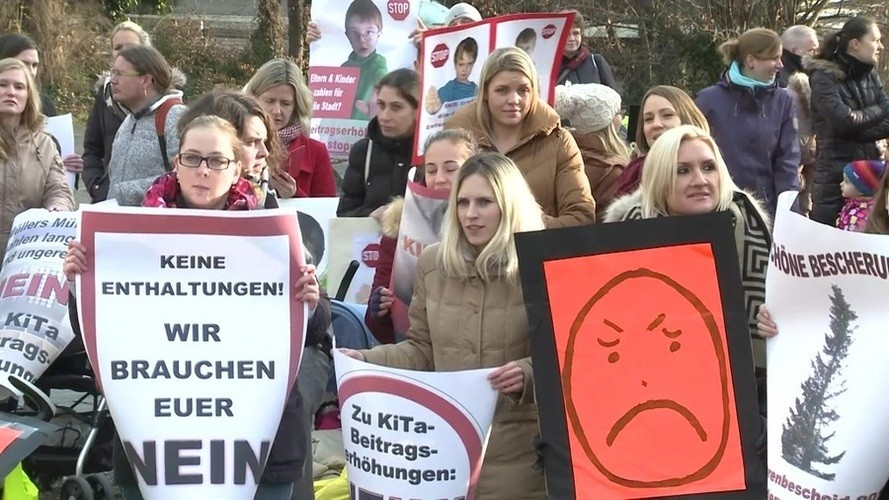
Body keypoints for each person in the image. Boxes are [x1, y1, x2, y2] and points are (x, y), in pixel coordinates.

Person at [63, 115, 327, 500]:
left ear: (237, 168)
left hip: (260, 451)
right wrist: (79, 284)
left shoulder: (272, 231)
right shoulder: (130, 234)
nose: (203, 170)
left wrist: (311, 302)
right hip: (152, 444)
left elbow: (316, 331)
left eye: (217, 160)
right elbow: (97, 334)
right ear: (177, 164)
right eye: (192, 158)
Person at [340, 152, 546, 498]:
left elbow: (568, 357)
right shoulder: (432, 264)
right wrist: (365, 361)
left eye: (484, 202)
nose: (470, 214)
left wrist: (528, 372)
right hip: (445, 450)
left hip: (521, 452)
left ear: (510, 205)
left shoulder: (541, 266)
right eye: (462, 202)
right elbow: (421, 350)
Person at [605, 125, 771, 367]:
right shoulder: (628, 238)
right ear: (660, 179)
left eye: (708, 167)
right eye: (683, 171)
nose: (700, 180)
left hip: (742, 381)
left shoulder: (750, 229)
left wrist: (772, 325)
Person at [446, 47, 596, 227]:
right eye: (502, 90)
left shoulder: (558, 141)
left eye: (523, 90)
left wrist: (521, 226)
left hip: (535, 244)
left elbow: (581, 217)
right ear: (485, 92)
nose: (513, 100)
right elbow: (436, 210)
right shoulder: (455, 141)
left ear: (533, 92)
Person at [365, 128, 477, 343]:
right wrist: (380, 312)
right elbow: (376, 326)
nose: (440, 179)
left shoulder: (487, 225)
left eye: (451, 169)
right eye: (432, 170)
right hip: (415, 350)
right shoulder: (399, 225)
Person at [696, 27, 800, 219]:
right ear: (750, 60)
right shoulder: (708, 101)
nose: (780, 65)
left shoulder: (783, 101)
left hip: (767, 211)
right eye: (774, 58)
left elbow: (787, 163)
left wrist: (790, 215)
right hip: (720, 209)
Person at [806, 17, 889, 226]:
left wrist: (857, 130)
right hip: (835, 177)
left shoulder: (870, 75)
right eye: (875, 40)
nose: (881, 46)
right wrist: (880, 110)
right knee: (829, 238)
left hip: (869, 174)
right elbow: (844, 121)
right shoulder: (823, 77)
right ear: (855, 44)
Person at [0, 57, 75, 262]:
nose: (11, 92)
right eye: (3, 84)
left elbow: (59, 190)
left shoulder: (44, 144)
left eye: (19, 87)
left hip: (24, 254)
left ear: (28, 95)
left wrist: (57, 209)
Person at [105, 45, 187, 206]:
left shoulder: (175, 117)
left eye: (120, 74)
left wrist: (125, 192)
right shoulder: (129, 121)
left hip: (155, 221)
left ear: (146, 80)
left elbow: (186, 176)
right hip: (116, 219)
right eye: (112, 72)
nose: (112, 80)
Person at [82, 20, 152, 203]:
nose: (123, 52)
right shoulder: (104, 96)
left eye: (131, 46)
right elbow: (92, 149)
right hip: (108, 202)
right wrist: (97, 186)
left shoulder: (168, 101)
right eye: (118, 47)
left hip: (152, 204)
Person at [244, 58, 336, 198]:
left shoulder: (316, 151)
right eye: (269, 101)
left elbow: (326, 207)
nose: (277, 111)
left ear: (297, 106)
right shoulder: (234, 142)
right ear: (253, 99)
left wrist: (294, 194)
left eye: (285, 103)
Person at [0, 33, 87, 179]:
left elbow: (50, 160)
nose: (31, 71)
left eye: (34, 65)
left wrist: (63, 164)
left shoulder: (45, 105)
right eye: (24, 63)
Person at [337, 68, 418, 217]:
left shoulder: (431, 153)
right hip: (371, 232)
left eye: (396, 107)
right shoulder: (364, 151)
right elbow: (344, 213)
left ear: (417, 110)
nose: (384, 116)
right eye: (381, 105)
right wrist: (371, 215)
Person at [613, 85, 709, 197]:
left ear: (688, 119)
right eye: (648, 119)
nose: (656, 124)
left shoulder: (711, 168)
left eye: (667, 115)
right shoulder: (632, 174)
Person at [554, 83, 629, 217]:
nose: (622, 117)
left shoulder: (558, 154)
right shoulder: (615, 171)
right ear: (607, 121)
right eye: (618, 112)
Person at [341, 0, 389, 120]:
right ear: (347, 36)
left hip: (368, 128)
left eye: (369, 32)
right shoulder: (344, 68)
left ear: (379, 34)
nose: (362, 40)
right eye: (355, 33)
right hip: (342, 129)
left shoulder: (378, 64)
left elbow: (383, 78)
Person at [556, 10, 617, 89]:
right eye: (566, 34)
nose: (571, 38)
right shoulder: (549, 67)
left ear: (581, 34)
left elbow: (612, 95)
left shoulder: (596, 62)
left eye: (576, 33)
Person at [425, 37, 479, 115]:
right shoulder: (451, 87)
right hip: (454, 122)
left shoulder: (475, 88)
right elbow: (436, 105)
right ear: (455, 64)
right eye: (461, 64)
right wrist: (433, 106)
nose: (465, 69)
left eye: (469, 64)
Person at [837, 160, 886, 231]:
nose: (841, 184)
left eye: (847, 182)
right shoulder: (852, 204)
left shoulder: (863, 218)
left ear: (861, 190)